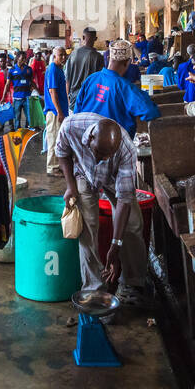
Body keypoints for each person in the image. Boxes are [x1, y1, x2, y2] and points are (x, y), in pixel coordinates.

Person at [54, 114, 148, 305]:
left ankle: (132, 284)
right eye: (99, 153)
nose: (102, 159)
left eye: (107, 156)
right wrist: (71, 186)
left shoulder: (127, 149)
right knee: (87, 229)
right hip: (83, 174)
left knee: (132, 224)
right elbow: (62, 153)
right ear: (89, 138)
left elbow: (124, 199)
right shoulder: (71, 126)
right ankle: (94, 290)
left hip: (114, 179)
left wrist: (116, 244)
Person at [73, 40, 160, 138]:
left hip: (86, 142)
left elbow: (77, 114)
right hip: (114, 146)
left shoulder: (90, 79)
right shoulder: (126, 87)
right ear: (128, 62)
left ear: (109, 58)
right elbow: (150, 112)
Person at [42, 46, 69, 176]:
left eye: (64, 55)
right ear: (54, 56)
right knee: (53, 139)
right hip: (54, 112)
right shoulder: (53, 69)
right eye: (60, 55)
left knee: (59, 139)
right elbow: (53, 92)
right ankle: (52, 168)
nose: (63, 57)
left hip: (60, 110)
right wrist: (59, 111)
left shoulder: (59, 69)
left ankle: (57, 166)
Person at [65, 27, 104, 108]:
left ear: (83, 37)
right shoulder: (98, 57)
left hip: (74, 100)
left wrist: (68, 100)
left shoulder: (73, 54)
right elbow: (101, 82)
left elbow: (67, 80)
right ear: (95, 39)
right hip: (90, 100)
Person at [6, 51, 35, 128]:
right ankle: (17, 134)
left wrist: (33, 90)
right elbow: (7, 84)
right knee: (17, 118)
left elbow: (32, 81)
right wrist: (3, 97)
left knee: (29, 118)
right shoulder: (12, 70)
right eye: (22, 58)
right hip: (17, 98)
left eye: (25, 58)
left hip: (27, 98)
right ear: (17, 58)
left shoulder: (29, 69)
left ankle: (27, 133)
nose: (24, 60)